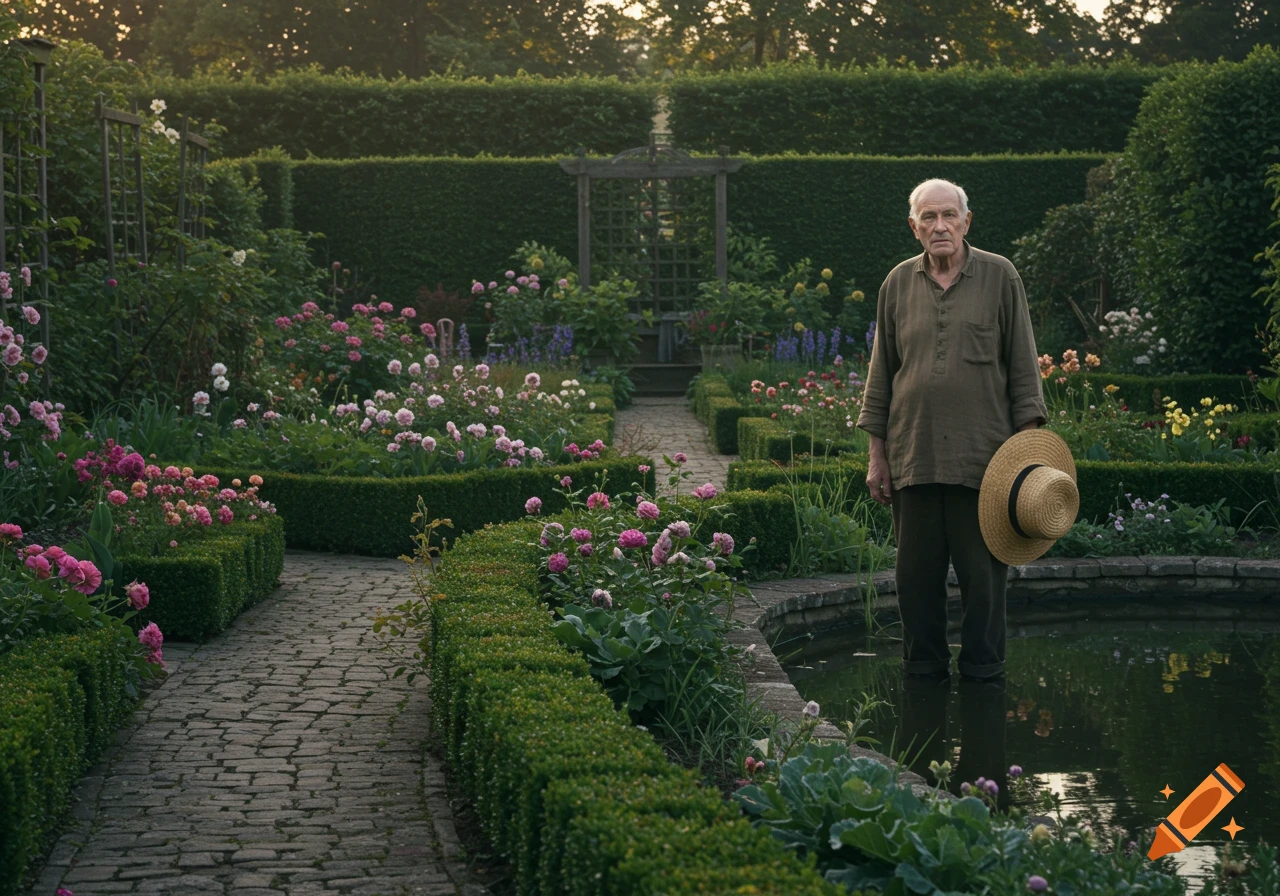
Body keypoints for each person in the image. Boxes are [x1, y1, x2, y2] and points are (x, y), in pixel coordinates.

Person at [856, 178, 1048, 682]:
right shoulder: (896, 283)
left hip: (986, 463)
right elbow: (881, 377)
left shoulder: (1000, 276)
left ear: (967, 222)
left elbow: (1024, 372)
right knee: (915, 581)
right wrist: (878, 456)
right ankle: (924, 676)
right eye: (928, 217)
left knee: (984, 585)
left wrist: (1025, 463)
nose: (939, 226)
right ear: (914, 227)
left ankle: (985, 676)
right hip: (912, 456)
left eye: (949, 216)